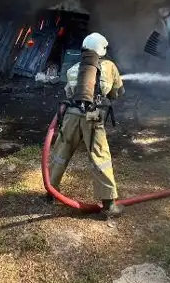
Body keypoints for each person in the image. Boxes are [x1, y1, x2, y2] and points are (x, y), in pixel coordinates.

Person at [48, 32, 125, 217]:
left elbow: (69, 93)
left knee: (60, 152)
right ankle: (108, 204)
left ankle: (50, 192)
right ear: (102, 50)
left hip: (72, 116)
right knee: (100, 156)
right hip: (92, 115)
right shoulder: (109, 66)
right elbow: (117, 93)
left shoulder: (73, 69)